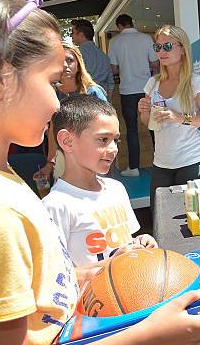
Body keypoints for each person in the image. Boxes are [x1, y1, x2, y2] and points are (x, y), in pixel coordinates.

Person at [0, 0, 200, 345]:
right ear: (0, 79)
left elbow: (34, 298)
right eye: (49, 81)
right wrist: (146, 337)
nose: (59, 104)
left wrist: (88, 275)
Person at [43, 95, 158, 267]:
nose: (113, 149)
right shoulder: (56, 205)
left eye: (116, 140)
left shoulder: (116, 189)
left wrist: (140, 242)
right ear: (67, 141)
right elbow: (56, 276)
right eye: (103, 140)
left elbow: (124, 242)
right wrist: (110, 264)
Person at [137, 25, 200, 214]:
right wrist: (144, 112)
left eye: (167, 46)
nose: (162, 52)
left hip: (191, 160)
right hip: (161, 162)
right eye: (158, 47)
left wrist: (178, 117)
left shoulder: (195, 82)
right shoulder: (153, 83)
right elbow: (148, 123)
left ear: (182, 48)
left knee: (191, 217)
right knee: (159, 216)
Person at [34, 42, 107, 180]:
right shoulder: (51, 94)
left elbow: (108, 129)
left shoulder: (92, 92)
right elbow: (52, 131)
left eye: (70, 60)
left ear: (78, 64)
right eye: (60, 61)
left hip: (93, 157)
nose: (65, 65)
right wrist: (50, 163)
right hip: (63, 160)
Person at [109, 14, 159, 177]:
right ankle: (161, 163)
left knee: (131, 130)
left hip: (127, 90)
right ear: (132, 23)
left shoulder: (115, 42)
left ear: (119, 26)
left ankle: (133, 167)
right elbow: (154, 63)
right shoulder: (146, 38)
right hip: (147, 88)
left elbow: (114, 69)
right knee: (154, 126)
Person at [71, 18, 115, 101]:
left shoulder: (76, 54)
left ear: (81, 34)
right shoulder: (104, 56)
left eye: (72, 33)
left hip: (83, 100)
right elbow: (110, 82)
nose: (71, 36)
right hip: (102, 100)